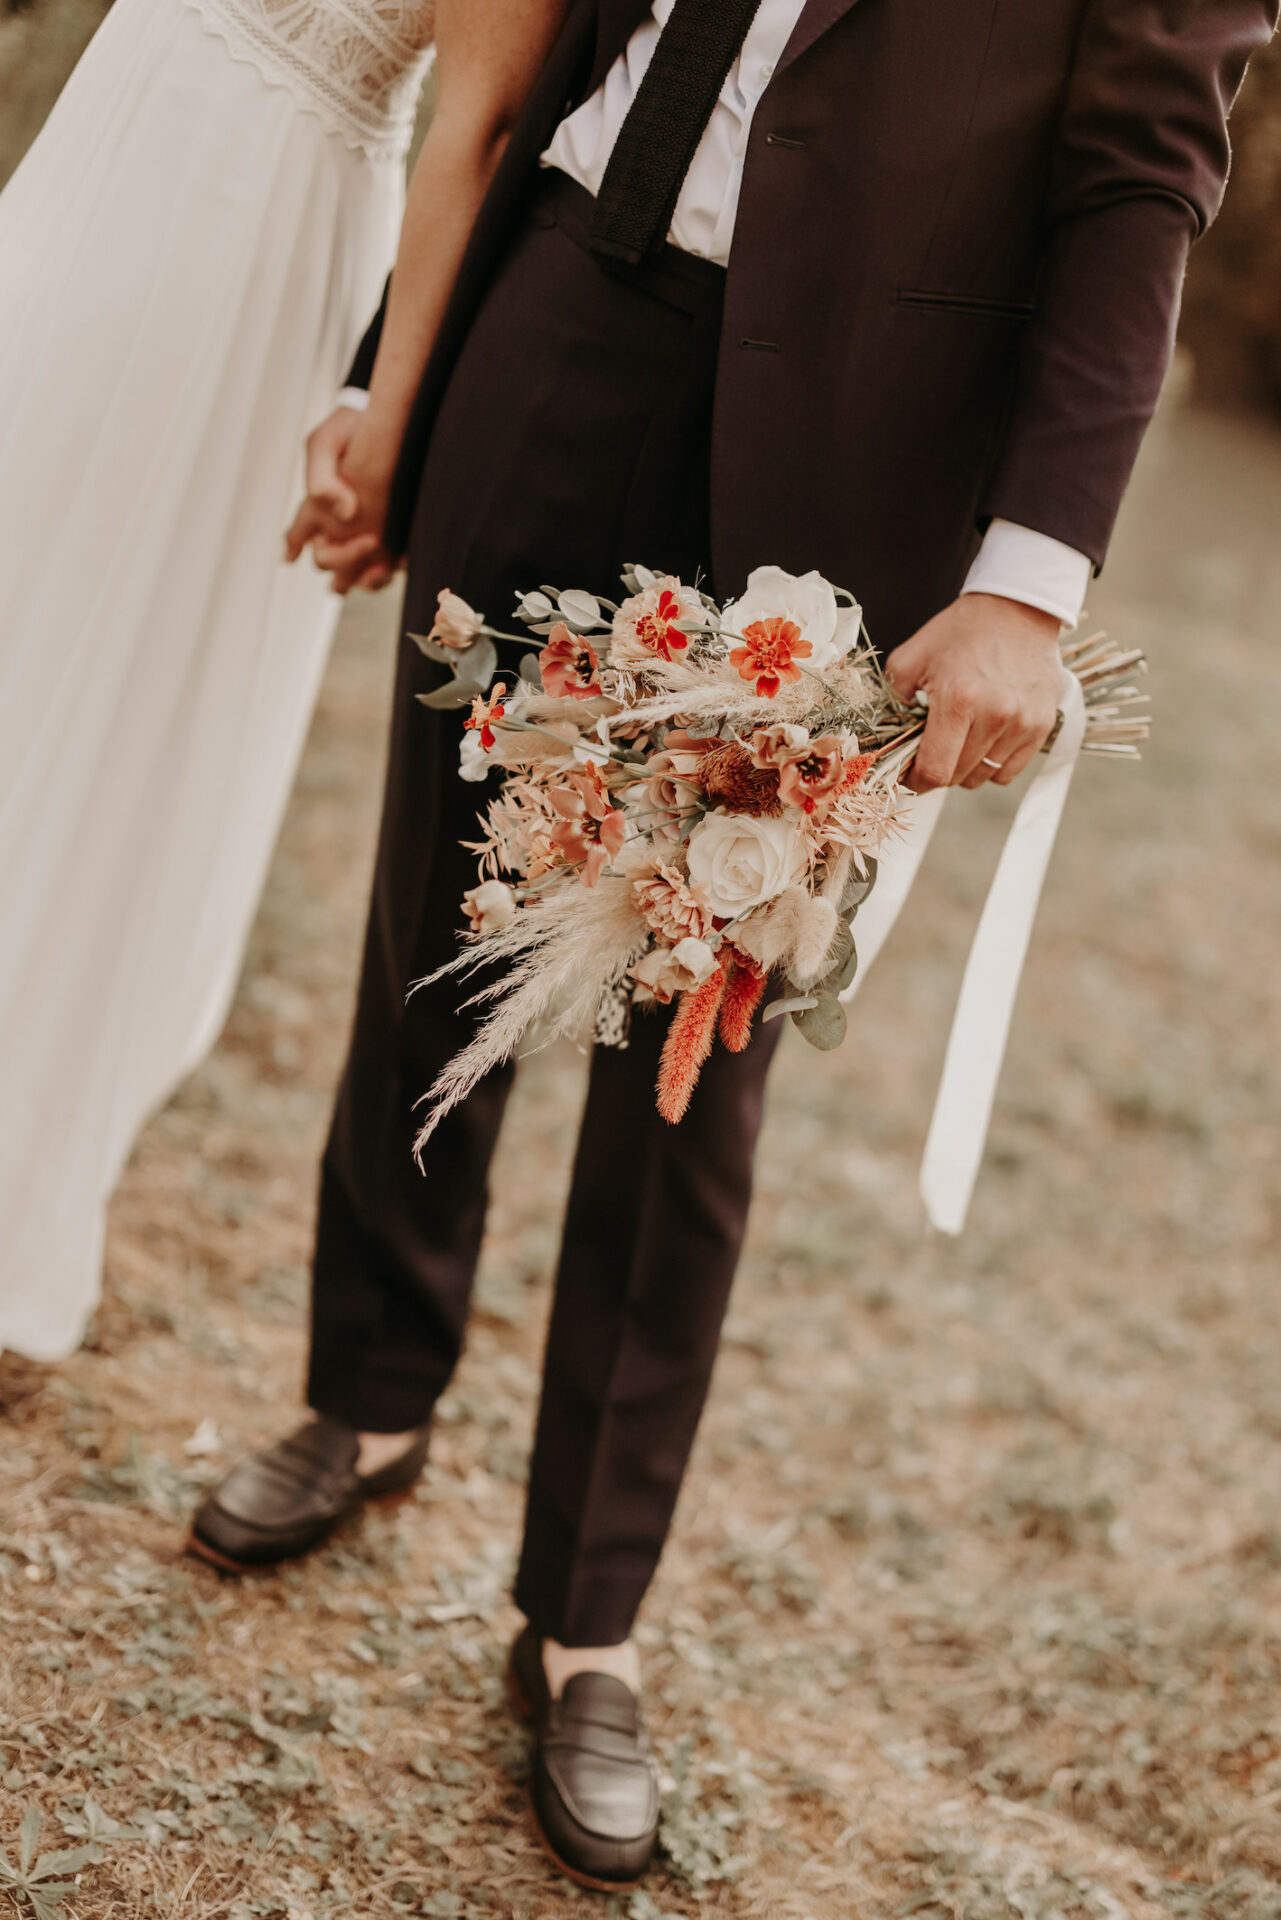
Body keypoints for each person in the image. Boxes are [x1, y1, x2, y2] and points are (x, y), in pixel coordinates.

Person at [194, 0, 1276, 1890]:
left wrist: (1024, 584)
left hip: (850, 476)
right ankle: (363, 1392)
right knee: (433, 917)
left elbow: (1140, 192)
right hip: (559, 320)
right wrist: (403, 378)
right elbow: (526, 57)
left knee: (699, 1029)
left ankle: (587, 1610)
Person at [0, 0, 570, 1360]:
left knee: (105, 662)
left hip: (249, 237)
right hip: (107, 145)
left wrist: (391, 402)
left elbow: (480, 122)